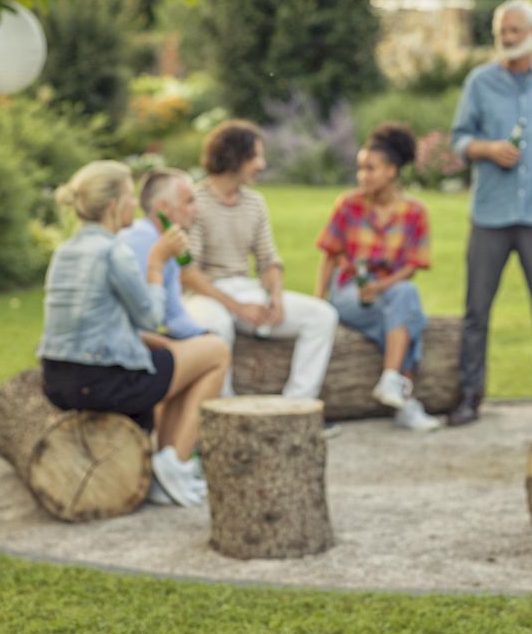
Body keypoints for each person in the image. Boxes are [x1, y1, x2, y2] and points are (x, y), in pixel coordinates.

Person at [36, 160, 230, 507]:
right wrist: (157, 262)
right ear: (114, 206)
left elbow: (103, 324)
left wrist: (167, 345)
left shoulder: (66, 250)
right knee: (216, 351)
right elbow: (150, 318)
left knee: (175, 358)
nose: (135, 204)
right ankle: (175, 462)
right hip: (104, 380)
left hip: (57, 378)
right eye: (129, 196)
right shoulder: (114, 251)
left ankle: (163, 467)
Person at [447, 0, 532, 425]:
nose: (507, 38)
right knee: (476, 309)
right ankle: (470, 394)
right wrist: (487, 148)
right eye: (502, 31)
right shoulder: (479, 81)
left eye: (515, 31)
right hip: (491, 214)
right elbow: (459, 140)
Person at [181, 120, 337, 408]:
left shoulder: (255, 203)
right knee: (215, 325)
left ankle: (296, 407)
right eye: (255, 157)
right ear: (234, 158)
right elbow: (189, 273)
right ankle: (223, 409)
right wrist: (238, 308)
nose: (261, 164)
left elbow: (268, 260)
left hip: (245, 289)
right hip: (206, 294)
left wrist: (275, 297)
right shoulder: (195, 201)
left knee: (322, 316)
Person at [315, 123, 440, 431]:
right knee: (411, 318)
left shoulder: (414, 212)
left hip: (388, 290)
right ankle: (404, 397)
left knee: (406, 294)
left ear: (392, 171)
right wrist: (319, 302)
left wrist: (379, 286)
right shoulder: (348, 205)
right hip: (348, 293)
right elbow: (330, 254)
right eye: (360, 169)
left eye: (370, 169)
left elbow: (412, 266)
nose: (362, 176)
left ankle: (390, 380)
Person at [117, 168, 235, 397]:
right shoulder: (142, 242)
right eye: (189, 201)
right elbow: (137, 320)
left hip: (144, 342)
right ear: (163, 209)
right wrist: (171, 345)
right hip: (127, 356)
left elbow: (173, 313)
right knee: (213, 355)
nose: (196, 209)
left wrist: (203, 334)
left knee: (212, 344)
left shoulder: (166, 244)